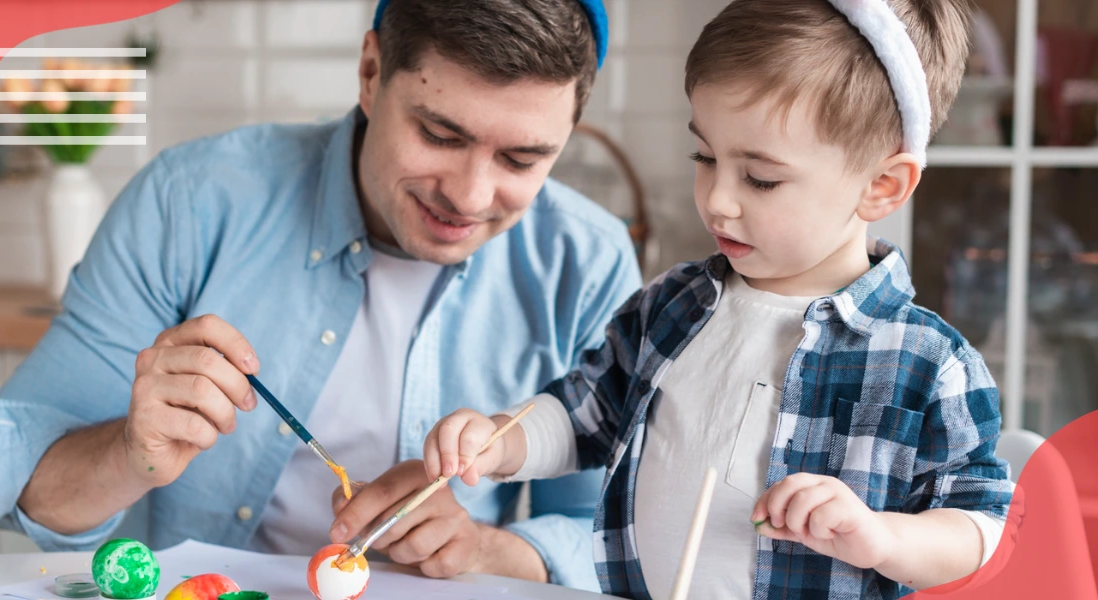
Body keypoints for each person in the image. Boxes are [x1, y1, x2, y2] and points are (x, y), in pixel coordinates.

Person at [0, 0, 641, 591]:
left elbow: (609, 531)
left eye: (521, 160)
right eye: (440, 134)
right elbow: (12, 482)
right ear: (371, 74)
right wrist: (126, 453)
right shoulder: (190, 202)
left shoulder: (585, 261)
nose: (469, 196)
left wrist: (484, 549)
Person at [420, 0, 1017, 598]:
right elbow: (584, 415)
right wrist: (498, 442)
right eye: (705, 157)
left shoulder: (926, 361)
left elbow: (982, 527)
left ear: (881, 186)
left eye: (761, 178)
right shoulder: (674, 305)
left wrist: (882, 538)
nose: (718, 200)